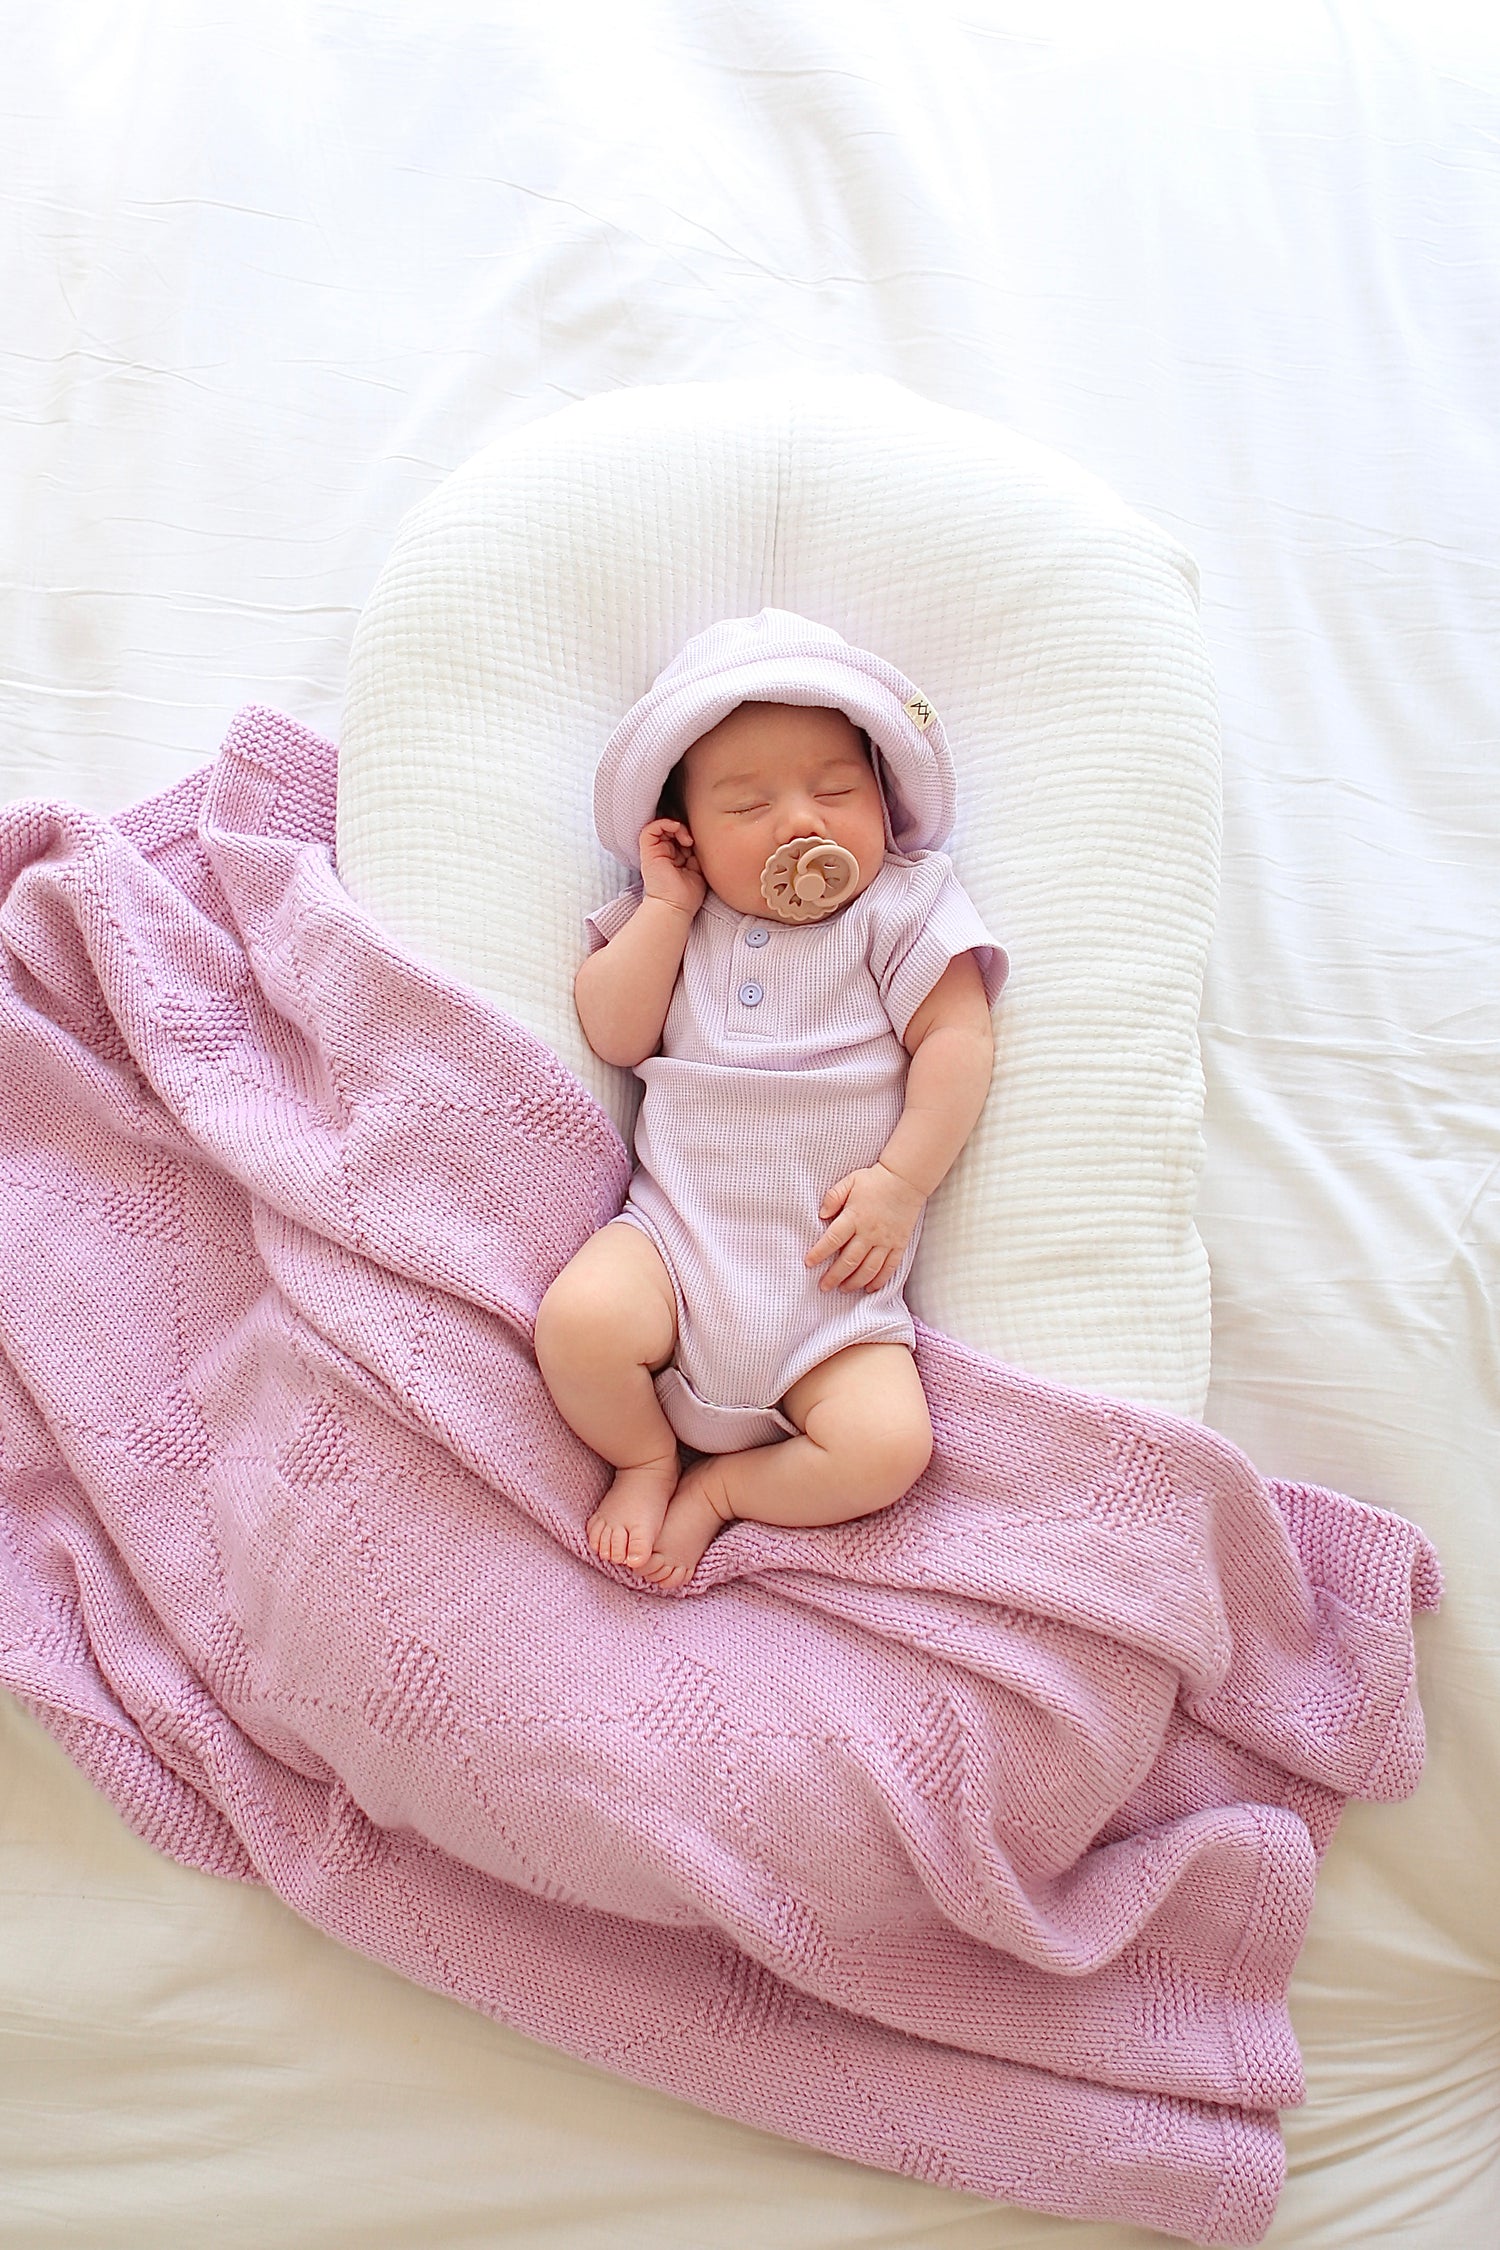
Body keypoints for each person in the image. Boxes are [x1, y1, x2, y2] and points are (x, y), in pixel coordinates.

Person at [534, 610, 1008, 1587]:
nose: (801, 822)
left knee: (887, 1448)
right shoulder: (678, 916)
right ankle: (646, 1457)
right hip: (675, 1248)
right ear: (688, 838)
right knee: (579, 1324)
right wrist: (667, 907)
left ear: (882, 799)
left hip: (831, 1297)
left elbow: (957, 1040)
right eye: (748, 808)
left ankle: (724, 1491)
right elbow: (615, 1033)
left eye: (835, 790)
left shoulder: (901, 906)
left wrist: (900, 1185)